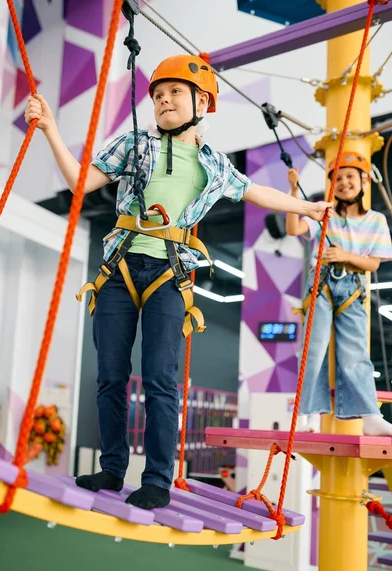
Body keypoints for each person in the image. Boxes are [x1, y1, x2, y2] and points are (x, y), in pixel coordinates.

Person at [25, 54, 332, 509]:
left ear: (202, 102)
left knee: (162, 381)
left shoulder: (213, 163)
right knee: (110, 376)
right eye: (158, 96)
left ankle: (157, 479)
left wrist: (304, 208)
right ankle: (112, 470)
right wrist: (51, 127)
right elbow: (79, 182)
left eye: (174, 94)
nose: (164, 101)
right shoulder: (135, 144)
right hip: (121, 268)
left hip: (170, 274)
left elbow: (254, 190)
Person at [286, 153, 392, 436]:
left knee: (355, 352)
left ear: (364, 181)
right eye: (338, 178)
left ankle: (370, 416)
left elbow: (372, 263)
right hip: (320, 283)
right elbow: (293, 228)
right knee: (314, 348)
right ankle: (308, 414)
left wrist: (345, 254)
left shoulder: (376, 220)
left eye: (350, 177)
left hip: (353, 286)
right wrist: (295, 192)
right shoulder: (325, 213)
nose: (344, 183)